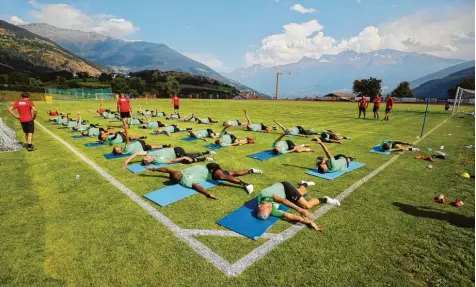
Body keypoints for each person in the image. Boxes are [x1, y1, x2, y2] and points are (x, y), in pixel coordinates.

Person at [255, 181, 340, 231]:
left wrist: (300, 210)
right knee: (303, 191)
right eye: (270, 210)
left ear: (260, 206)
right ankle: (304, 184)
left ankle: (326, 199)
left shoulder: (264, 194)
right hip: (284, 195)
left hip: (285, 187)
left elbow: (284, 201)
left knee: (306, 206)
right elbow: (290, 216)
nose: (270, 207)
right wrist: (309, 222)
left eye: (268, 207)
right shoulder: (272, 211)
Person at [146, 163, 263, 198]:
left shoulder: (178, 173)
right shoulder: (185, 181)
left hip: (210, 167)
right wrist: (207, 193)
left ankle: (246, 185)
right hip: (211, 176)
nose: (177, 172)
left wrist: (153, 169)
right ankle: (251, 170)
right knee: (233, 173)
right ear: (178, 179)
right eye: (177, 174)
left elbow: (165, 169)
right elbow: (197, 187)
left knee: (223, 177)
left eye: (176, 172)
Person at [121, 147, 216, 167]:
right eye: (149, 162)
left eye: (147, 159)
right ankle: (206, 154)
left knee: (188, 159)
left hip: (177, 150)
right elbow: (171, 161)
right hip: (178, 154)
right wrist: (182, 158)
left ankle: (205, 156)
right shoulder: (158, 161)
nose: (149, 160)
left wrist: (127, 160)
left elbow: (136, 153)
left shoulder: (148, 153)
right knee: (188, 157)